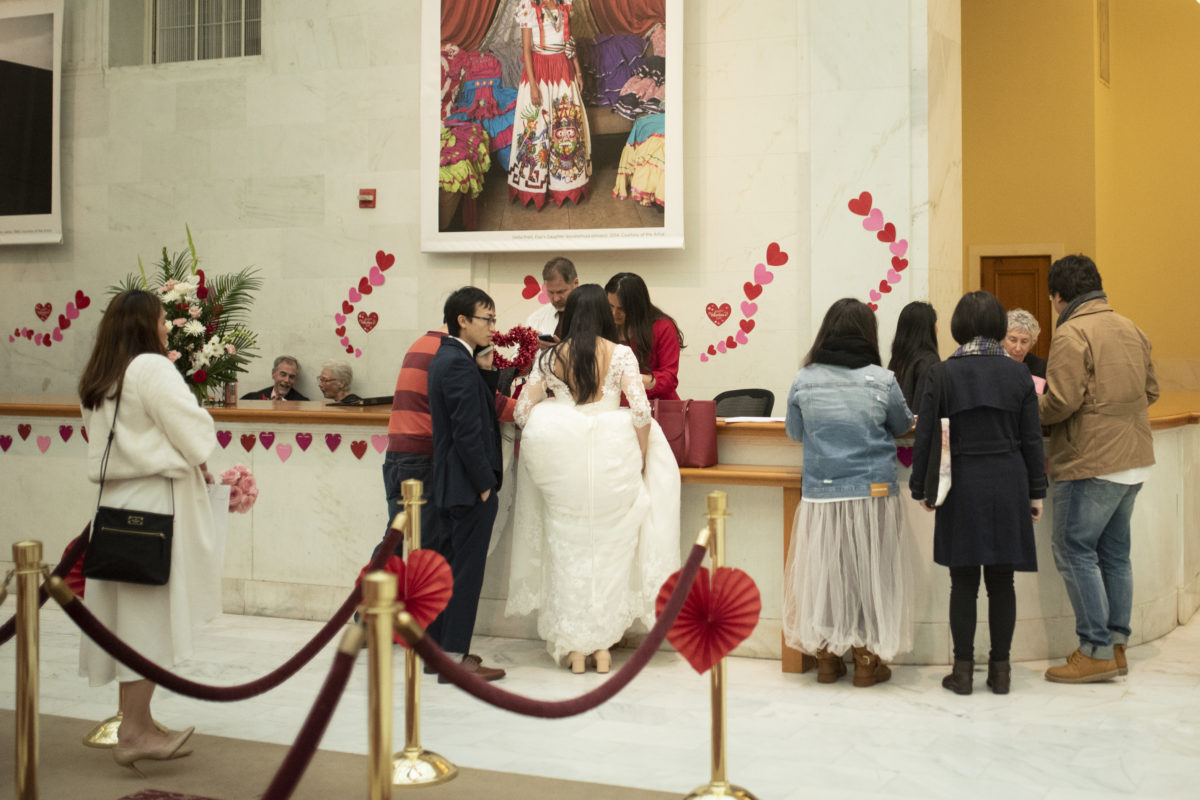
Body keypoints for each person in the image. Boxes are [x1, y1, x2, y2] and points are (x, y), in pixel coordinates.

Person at [77, 290, 221, 773]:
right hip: (154, 508)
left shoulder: (102, 374)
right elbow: (194, 433)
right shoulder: (152, 368)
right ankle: (136, 731)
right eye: (162, 320)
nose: (167, 328)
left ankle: (137, 720)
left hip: (115, 508)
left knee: (129, 622)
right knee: (146, 625)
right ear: (145, 325)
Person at [506, 285, 681, 673]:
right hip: (612, 463)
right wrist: (638, 458)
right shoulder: (620, 354)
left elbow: (520, 413)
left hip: (563, 466)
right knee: (610, 549)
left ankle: (575, 649)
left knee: (566, 547)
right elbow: (639, 412)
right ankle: (602, 647)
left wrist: (556, 408)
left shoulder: (550, 357)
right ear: (604, 313)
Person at [909, 291, 1047, 695]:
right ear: (999, 329)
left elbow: (926, 439)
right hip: (1009, 479)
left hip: (961, 483)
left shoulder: (942, 372)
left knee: (963, 581)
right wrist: (1035, 492)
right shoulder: (1018, 374)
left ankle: (963, 671)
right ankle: (1001, 672)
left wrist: (922, 487)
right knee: (1003, 582)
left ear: (958, 327)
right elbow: (1031, 439)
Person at [782, 298, 916, 687]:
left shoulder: (804, 379)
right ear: (867, 334)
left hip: (821, 494)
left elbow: (794, 432)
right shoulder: (882, 379)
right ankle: (867, 661)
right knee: (871, 577)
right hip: (872, 492)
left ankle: (826, 659)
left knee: (826, 576)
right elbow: (904, 424)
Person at [1038, 255, 1157, 683]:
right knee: (1114, 554)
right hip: (1134, 460)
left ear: (1058, 296)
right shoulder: (1131, 327)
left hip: (1091, 461)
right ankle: (1117, 645)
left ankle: (1094, 648)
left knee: (1074, 549)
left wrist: (1027, 407)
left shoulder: (1072, 333)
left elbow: (1060, 402)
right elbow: (1152, 391)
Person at [425, 287, 507, 682]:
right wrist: (484, 485)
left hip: (453, 484)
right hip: (467, 486)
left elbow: (474, 406)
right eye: (486, 319)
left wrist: (487, 372)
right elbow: (467, 431)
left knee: (448, 569)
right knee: (464, 574)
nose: (493, 327)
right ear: (463, 320)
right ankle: (455, 657)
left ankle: (438, 654)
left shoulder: (454, 358)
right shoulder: (456, 362)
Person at [383, 327, 516, 550]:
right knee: (427, 545)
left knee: (395, 539)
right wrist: (536, 409)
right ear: (464, 320)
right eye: (485, 320)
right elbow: (486, 403)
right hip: (424, 455)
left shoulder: (422, 343)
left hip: (398, 453)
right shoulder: (451, 353)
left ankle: (373, 586)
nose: (489, 330)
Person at [508, 0, 592, 209]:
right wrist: (534, 86)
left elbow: (568, 43)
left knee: (565, 124)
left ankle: (565, 185)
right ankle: (535, 189)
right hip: (539, 72)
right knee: (538, 126)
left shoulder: (564, 6)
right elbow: (527, 50)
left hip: (563, 70)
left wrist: (578, 72)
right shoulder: (528, 6)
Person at [604, 272, 683, 401]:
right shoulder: (606, 326)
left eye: (621, 309)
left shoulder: (662, 327)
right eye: (610, 306)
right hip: (617, 406)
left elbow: (669, 379)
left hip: (657, 406)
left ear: (637, 306)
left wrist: (633, 378)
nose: (614, 313)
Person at [887, 300, 941, 409]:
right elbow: (924, 413)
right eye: (935, 324)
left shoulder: (898, 362)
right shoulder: (929, 362)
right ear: (927, 329)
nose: (937, 329)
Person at [526, 256, 579, 340]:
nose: (556, 298)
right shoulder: (535, 319)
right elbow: (518, 352)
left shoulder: (593, 317)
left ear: (575, 283)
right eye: (550, 292)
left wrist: (561, 350)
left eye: (560, 292)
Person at [1003, 308, 1047, 380]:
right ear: (1002, 340)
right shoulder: (992, 365)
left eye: (1024, 341)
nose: (1018, 348)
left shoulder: (1041, 368)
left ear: (1032, 343)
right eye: (1013, 340)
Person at [240, 355, 309, 401]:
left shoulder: (303, 403)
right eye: (283, 374)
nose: (286, 380)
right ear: (273, 374)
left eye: (291, 377)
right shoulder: (252, 399)